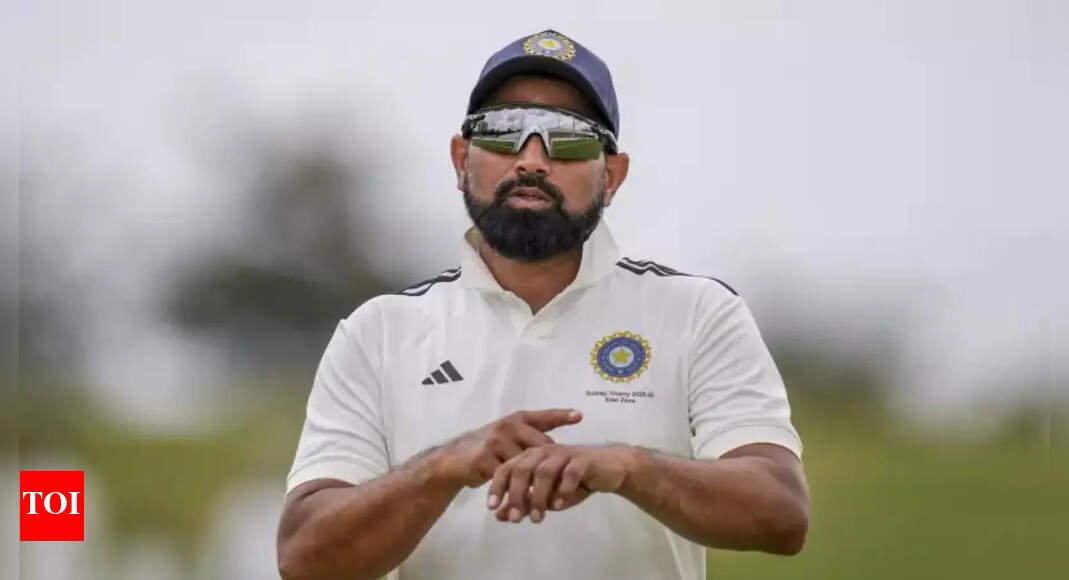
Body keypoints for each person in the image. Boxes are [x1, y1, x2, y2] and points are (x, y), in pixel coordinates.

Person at [277, 29, 809, 580]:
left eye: (569, 139)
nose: (531, 160)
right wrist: (443, 467)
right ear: (461, 160)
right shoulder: (380, 332)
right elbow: (304, 556)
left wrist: (626, 467)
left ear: (613, 176)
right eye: (503, 132)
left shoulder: (696, 314)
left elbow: (781, 513)